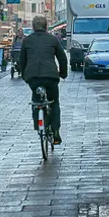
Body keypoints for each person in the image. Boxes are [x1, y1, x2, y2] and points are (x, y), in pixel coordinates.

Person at [19, 15, 68, 144]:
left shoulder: (27, 41)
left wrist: (24, 76)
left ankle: (38, 125)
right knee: (54, 102)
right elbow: (62, 58)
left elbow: (21, 61)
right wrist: (63, 74)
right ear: (46, 26)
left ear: (34, 27)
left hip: (33, 78)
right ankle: (56, 131)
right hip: (50, 76)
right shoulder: (53, 39)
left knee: (36, 100)